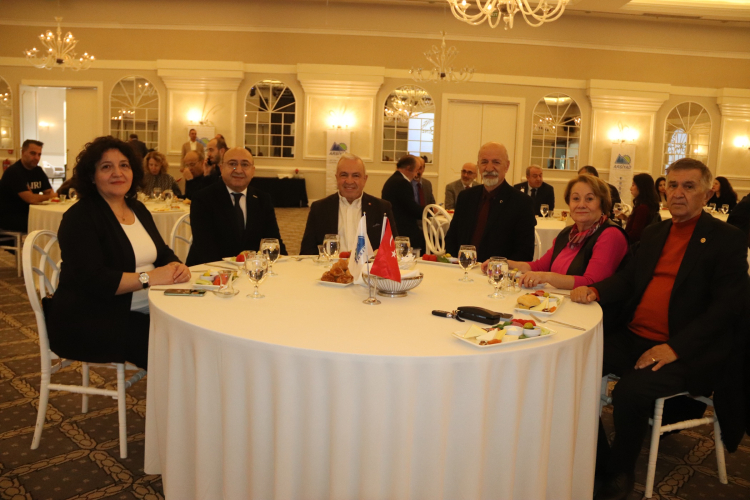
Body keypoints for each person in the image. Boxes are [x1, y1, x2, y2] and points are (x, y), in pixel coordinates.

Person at [570, 158, 748, 500]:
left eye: (689, 186)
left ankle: (621, 472)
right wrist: (595, 290)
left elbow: (726, 309)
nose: (678, 193)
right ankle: (601, 462)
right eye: (672, 185)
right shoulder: (655, 233)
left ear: (707, 194)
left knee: (628, 393)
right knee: (575, 364)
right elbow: (628, 278)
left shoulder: (727, 239)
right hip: (635, 336)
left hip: (686, 349)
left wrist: (674, 348)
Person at [46, 136, 190, 370]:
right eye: (106, 167)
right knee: (178, 347)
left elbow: (161, 252)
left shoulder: (137, 208)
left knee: (199, 328)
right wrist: (149, 278)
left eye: (124, 165)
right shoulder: (79, 218)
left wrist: (176, 266)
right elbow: (94, 280)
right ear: (91, 176)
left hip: (149, 306)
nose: (118, 173)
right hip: (96, 317)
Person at [485, 175, 627, 290]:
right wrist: (503, 263)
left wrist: (547, 277)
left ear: (602, 203)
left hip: (591, 311)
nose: (581, 205)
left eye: (589, 199)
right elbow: (538, 267)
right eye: (575, 198)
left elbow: (592, 283)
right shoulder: (568, 234)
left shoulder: (610, 235)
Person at [186, 147, 287, 266]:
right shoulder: (203, 199)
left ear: (253, 171)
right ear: (221, 168)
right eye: (232, 164)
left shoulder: (262, 199)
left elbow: (273, 242)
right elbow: (206, 248)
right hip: (208, 271)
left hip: (252, 270)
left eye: (245, 165)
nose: (238, 170)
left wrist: (285, 266)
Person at [445, 142, 536, 262]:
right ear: (478, 166)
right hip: (463, 268)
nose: (489, 168)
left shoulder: (522, 203)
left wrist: (496, 267)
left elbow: (525, 252)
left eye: (496, 162)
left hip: (498, 272)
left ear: (507, 166)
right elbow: (451, 238)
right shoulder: (465, 197)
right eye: (484, 162)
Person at [300, 153, 396, 255]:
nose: (349, 181)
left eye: (356, 175)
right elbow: (307, 251)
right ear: (336, 178)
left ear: (365, 179)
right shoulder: (319, 208)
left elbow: (393, 249)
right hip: (331, 265)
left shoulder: (382, 208)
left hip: (368, 265)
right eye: (344, 175)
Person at [0, 140, 54, 232]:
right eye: (33, 153)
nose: (36, 157)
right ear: (23, 152)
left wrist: (38, 196)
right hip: (12, 217)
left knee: (53, 221)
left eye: (39, 154)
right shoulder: (14, 172)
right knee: (47, 224)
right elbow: (31, 199)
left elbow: (49, 191)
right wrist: (47, 197)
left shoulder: (38, 171)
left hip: (31, 213)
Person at [381, 155, 425, 252]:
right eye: (416, 170)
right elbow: (412, 209)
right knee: (431, 240)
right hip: (403, 230)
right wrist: (430, 210)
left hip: (395, 227)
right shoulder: (402, 183)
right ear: (408, 168)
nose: (416, 174)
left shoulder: (393, 179)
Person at [618, 173, 660, 244]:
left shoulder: (643, 208)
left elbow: (635, 234)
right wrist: (627, 218)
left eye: (633, 185)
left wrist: (619, 238)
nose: (630, 188)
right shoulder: (647, 205)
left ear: (641, 187)